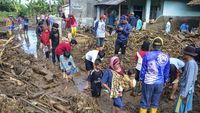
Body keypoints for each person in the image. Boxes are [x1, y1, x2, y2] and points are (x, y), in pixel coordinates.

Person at [139, 37, 170, 113]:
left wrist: (141, 79)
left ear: (152, 45)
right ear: (161, 46)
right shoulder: (166, 56)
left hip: (148, 81)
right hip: (160, 82)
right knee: (155, 103)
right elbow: (166, 71)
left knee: (144, 102)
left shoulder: (147, 55)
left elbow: (143, 69)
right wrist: (165, 80)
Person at [174, 46, 198, 113]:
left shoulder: (191, 64)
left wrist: (184, 93)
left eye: (184, 54)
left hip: (186, 90)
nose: (183, 55)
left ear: (188, 55)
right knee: (185, 109)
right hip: (188, 90)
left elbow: (189, 80)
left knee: (179, 109)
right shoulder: (192, 63)